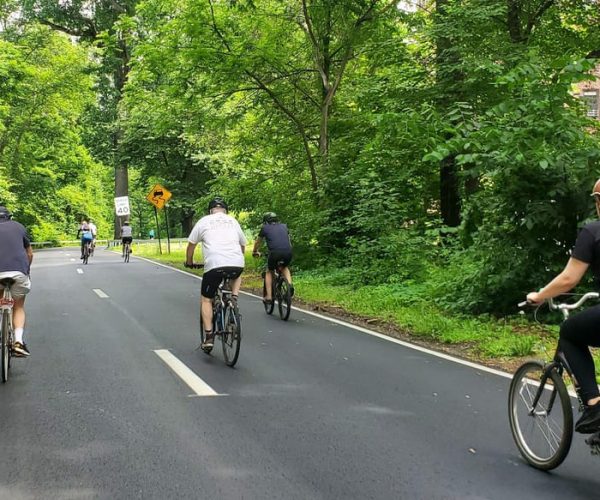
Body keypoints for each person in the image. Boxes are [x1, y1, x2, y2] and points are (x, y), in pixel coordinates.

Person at [527, 178, 600, 434]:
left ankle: (593, 404)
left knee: (569, 331)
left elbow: (569, 279)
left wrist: (540, 295)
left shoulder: (594, 231)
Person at [185, 197, 247, 352]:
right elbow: (242, 244)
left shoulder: (204, 221)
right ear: (226, 210)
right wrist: (238, 258)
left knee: (206, 299)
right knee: (237, 273)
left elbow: (191, 245)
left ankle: (209, 337)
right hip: (236, 262)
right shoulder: (233, 221)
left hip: (214, 265)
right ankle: (234, 298)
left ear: (210, 210)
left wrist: (190, 261)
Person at [0, 207, 33, 357]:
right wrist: (26, 270)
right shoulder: (18, 226)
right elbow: (29, 253)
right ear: (9, 217)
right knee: (18, 305)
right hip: (18, 272)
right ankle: (18, 342)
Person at [252, 212, 293, 305]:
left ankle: (269, 296)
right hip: (288, 251)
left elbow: (257, 242)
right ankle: (289, 286)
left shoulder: (265, 228)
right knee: (285, 267)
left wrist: (255, 251)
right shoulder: (284, 226)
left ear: (266, 221)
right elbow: (289, 242)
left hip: (275, 253)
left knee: (269, 271)